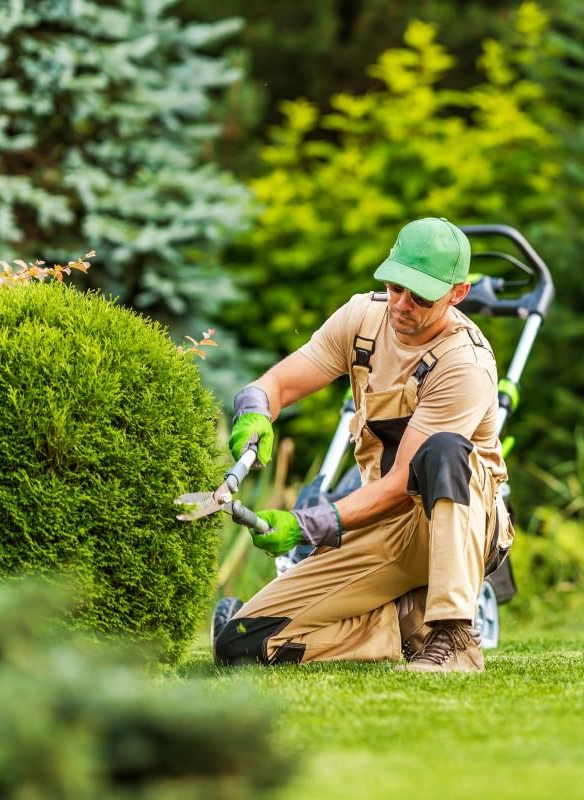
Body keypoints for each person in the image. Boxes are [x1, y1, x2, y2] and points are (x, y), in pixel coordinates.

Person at [216, 217, 514, 673]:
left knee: (444, 451)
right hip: (379, 525)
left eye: (420, 296)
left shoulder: (464, 364)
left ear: (458, 293)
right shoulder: (362, 319)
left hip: (455, 525)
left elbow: (399, 485)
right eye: (396, 287)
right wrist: (254, 409)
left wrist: (305, 525)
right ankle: (401, 622)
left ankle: (455, 636)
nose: (402, 304)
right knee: (238, 644)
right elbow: (278, 382)